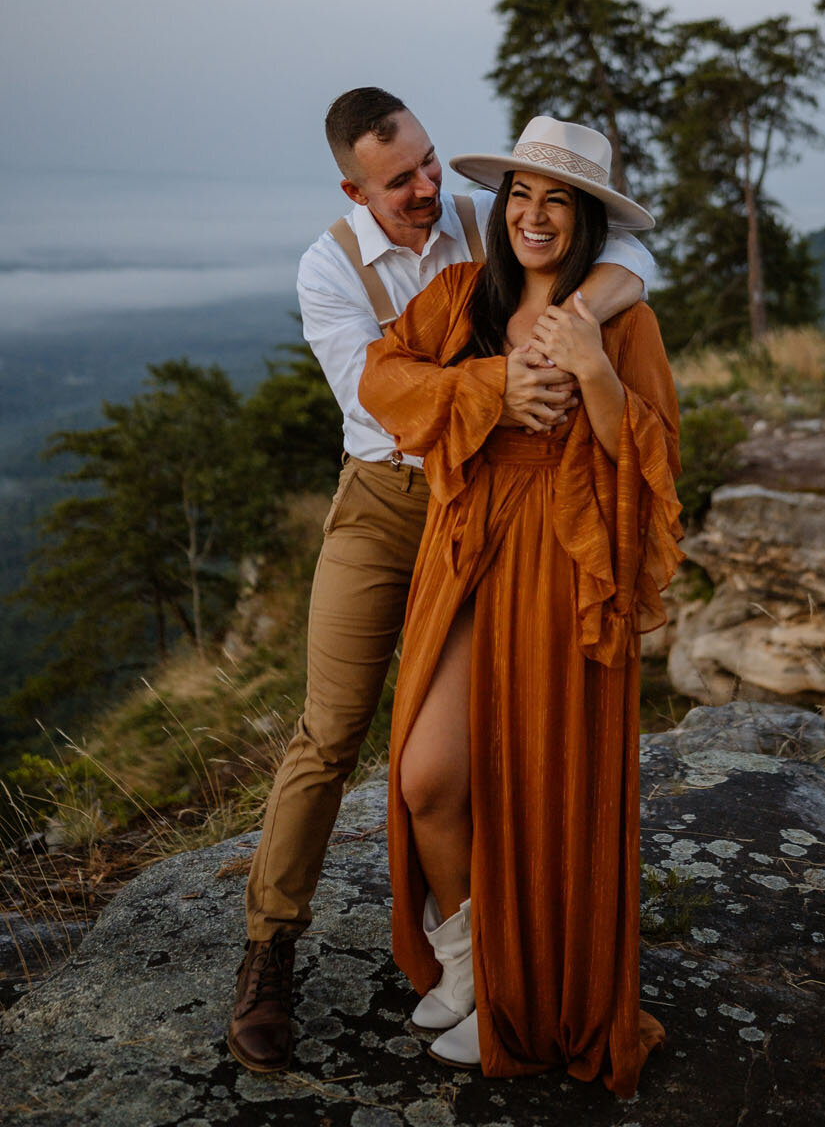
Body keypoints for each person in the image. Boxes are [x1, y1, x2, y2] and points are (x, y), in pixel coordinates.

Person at [227, 89, 656, 1074]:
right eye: (400, 180)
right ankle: (268, 950)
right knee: (331, 728)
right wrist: (494, 386)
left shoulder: (487, 214)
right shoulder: (328, 268)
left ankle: (496, 958)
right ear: (352, 187)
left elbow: (627, 255)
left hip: (499, 510)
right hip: (389, 503)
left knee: (474, 742)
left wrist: (586, 315)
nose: (426, 190)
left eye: (428, 164)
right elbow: (378, 399)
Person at [359, 116, 683, 1098]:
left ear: (583, 221)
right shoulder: (462, 294)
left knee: (542, 777)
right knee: (428, 773)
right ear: (499, 208)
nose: (534, 215)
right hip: (465, 550)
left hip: (560, 558)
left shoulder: (620, 319)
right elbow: (382, 377)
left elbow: (658, 462)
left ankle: (523, 985)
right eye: (520, 196)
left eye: (557, 200)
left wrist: (589, 370)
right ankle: (464, 956)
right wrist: (490, 389)